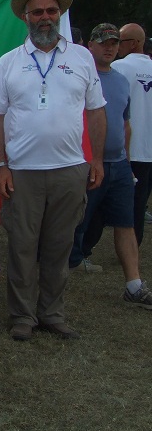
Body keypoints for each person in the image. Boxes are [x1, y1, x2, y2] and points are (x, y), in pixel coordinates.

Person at [0, 0, 106, 341]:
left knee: (59, 246)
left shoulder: (82, 58)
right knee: (22, 247)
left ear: (60, 15)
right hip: (22, 172)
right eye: (37, 12)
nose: (44, 18)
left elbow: (96, 112)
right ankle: (22, 316)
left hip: (70, 169)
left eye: (51, 11)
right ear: (25, 17)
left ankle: (52, 313)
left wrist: (95, 159)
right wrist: (0, 165)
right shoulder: (9, 62)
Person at [68, 24, 151, 306]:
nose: (109, 47)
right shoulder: (81, 78)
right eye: (103, 42)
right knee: (78, 218)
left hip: (119, 165)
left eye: (114, 42)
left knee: (125, 223)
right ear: (90, 45)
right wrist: (91, 159)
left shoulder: (120, 80)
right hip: (89, 162)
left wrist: (127, 162)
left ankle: (134, 286)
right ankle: (70, 263)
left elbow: (125, 124)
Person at [112, 23, 152, 246]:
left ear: (135, 43)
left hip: (130, 147)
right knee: (141, 200)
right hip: (148, 147)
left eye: (120, 40)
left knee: (127, 201)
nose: (116, 46)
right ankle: (135, 243)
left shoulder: (120, 68)